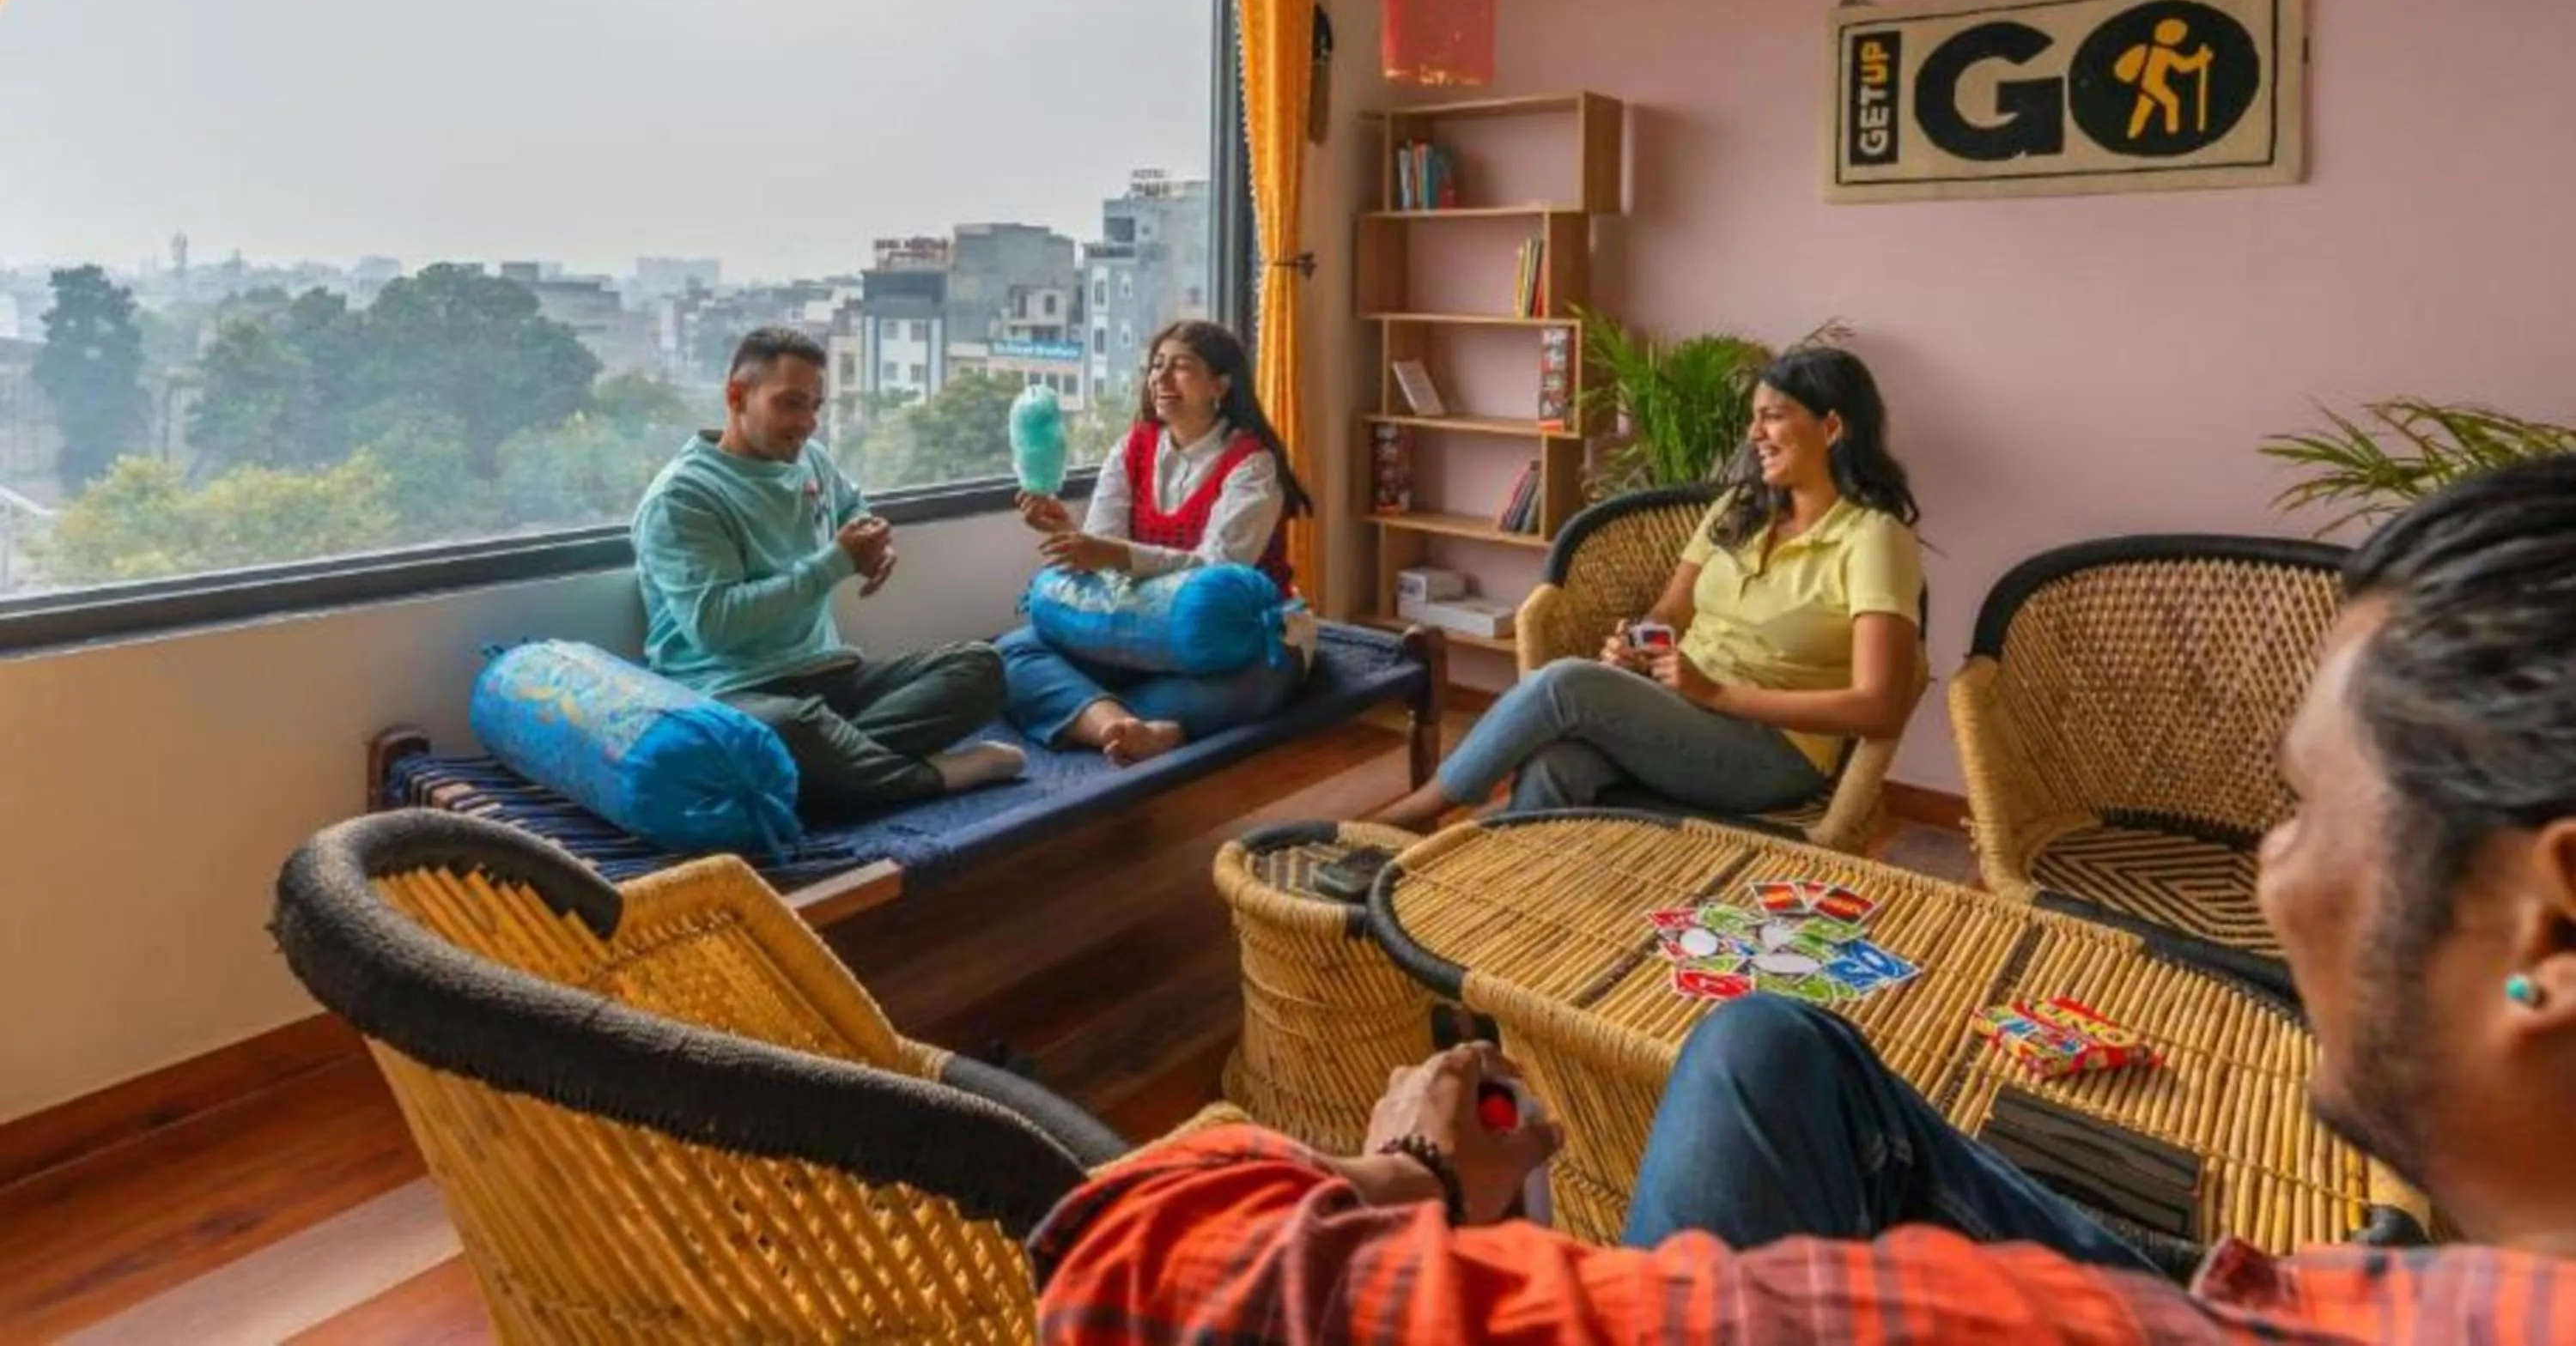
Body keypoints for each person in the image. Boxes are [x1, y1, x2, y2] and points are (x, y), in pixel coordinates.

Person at [1032, 454, 2576, 1341]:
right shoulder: (1739, 525)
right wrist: (1681, 617)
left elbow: (1141, 1267)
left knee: (1561, 699)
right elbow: (1649, 627)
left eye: (2308, 808)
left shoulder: (1874, 542)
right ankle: (1474, 859)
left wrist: (1419, 1180)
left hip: (1769, 765)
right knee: (1757, 1020)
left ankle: (1417, 820)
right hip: (2262, 1278)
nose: (2270, 861)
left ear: (2547, 933)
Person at [1373, 346, 1925, 831]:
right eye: (1754, 419)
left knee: (1564, 684)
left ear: (1832, 428)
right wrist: (1639, 644)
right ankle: (1513, 913)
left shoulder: (1874, 539)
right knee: (1556, 765)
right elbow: (1671, 612)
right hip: (1681, 711)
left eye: (1774, 417)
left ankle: (1411, 817)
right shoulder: (1739, 508)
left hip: (1774, 751)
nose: (1754, 434)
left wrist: (1717, 694)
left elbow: (1879, 708)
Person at [631, 326, 1020, 820]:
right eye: (791, 404)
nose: (808, 423)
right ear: (736, 396)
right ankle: (930, 775)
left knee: (982, 666)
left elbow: (854, 508)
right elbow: (714, 625)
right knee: (789, 728)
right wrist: (835, 561)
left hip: (830, 676)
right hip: (732, 691)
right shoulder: (684, 497)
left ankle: (832, 770)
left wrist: (876, 542)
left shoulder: (809, 459)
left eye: (816, 406)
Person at [998, 319, 1314, 766]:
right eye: (1156, 367)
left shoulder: (1253, 464)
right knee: (1011, 653)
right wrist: (1067, 533)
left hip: (1238, 638)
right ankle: (1128, 727)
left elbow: (1217, 566)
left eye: (1180, 368)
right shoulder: (1133, 448)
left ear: (1219, 385)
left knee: (1260, 682)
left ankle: (1097, 713)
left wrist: (1114, 554)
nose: (1160, 380)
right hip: (1138, 626)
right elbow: (1104, 550)